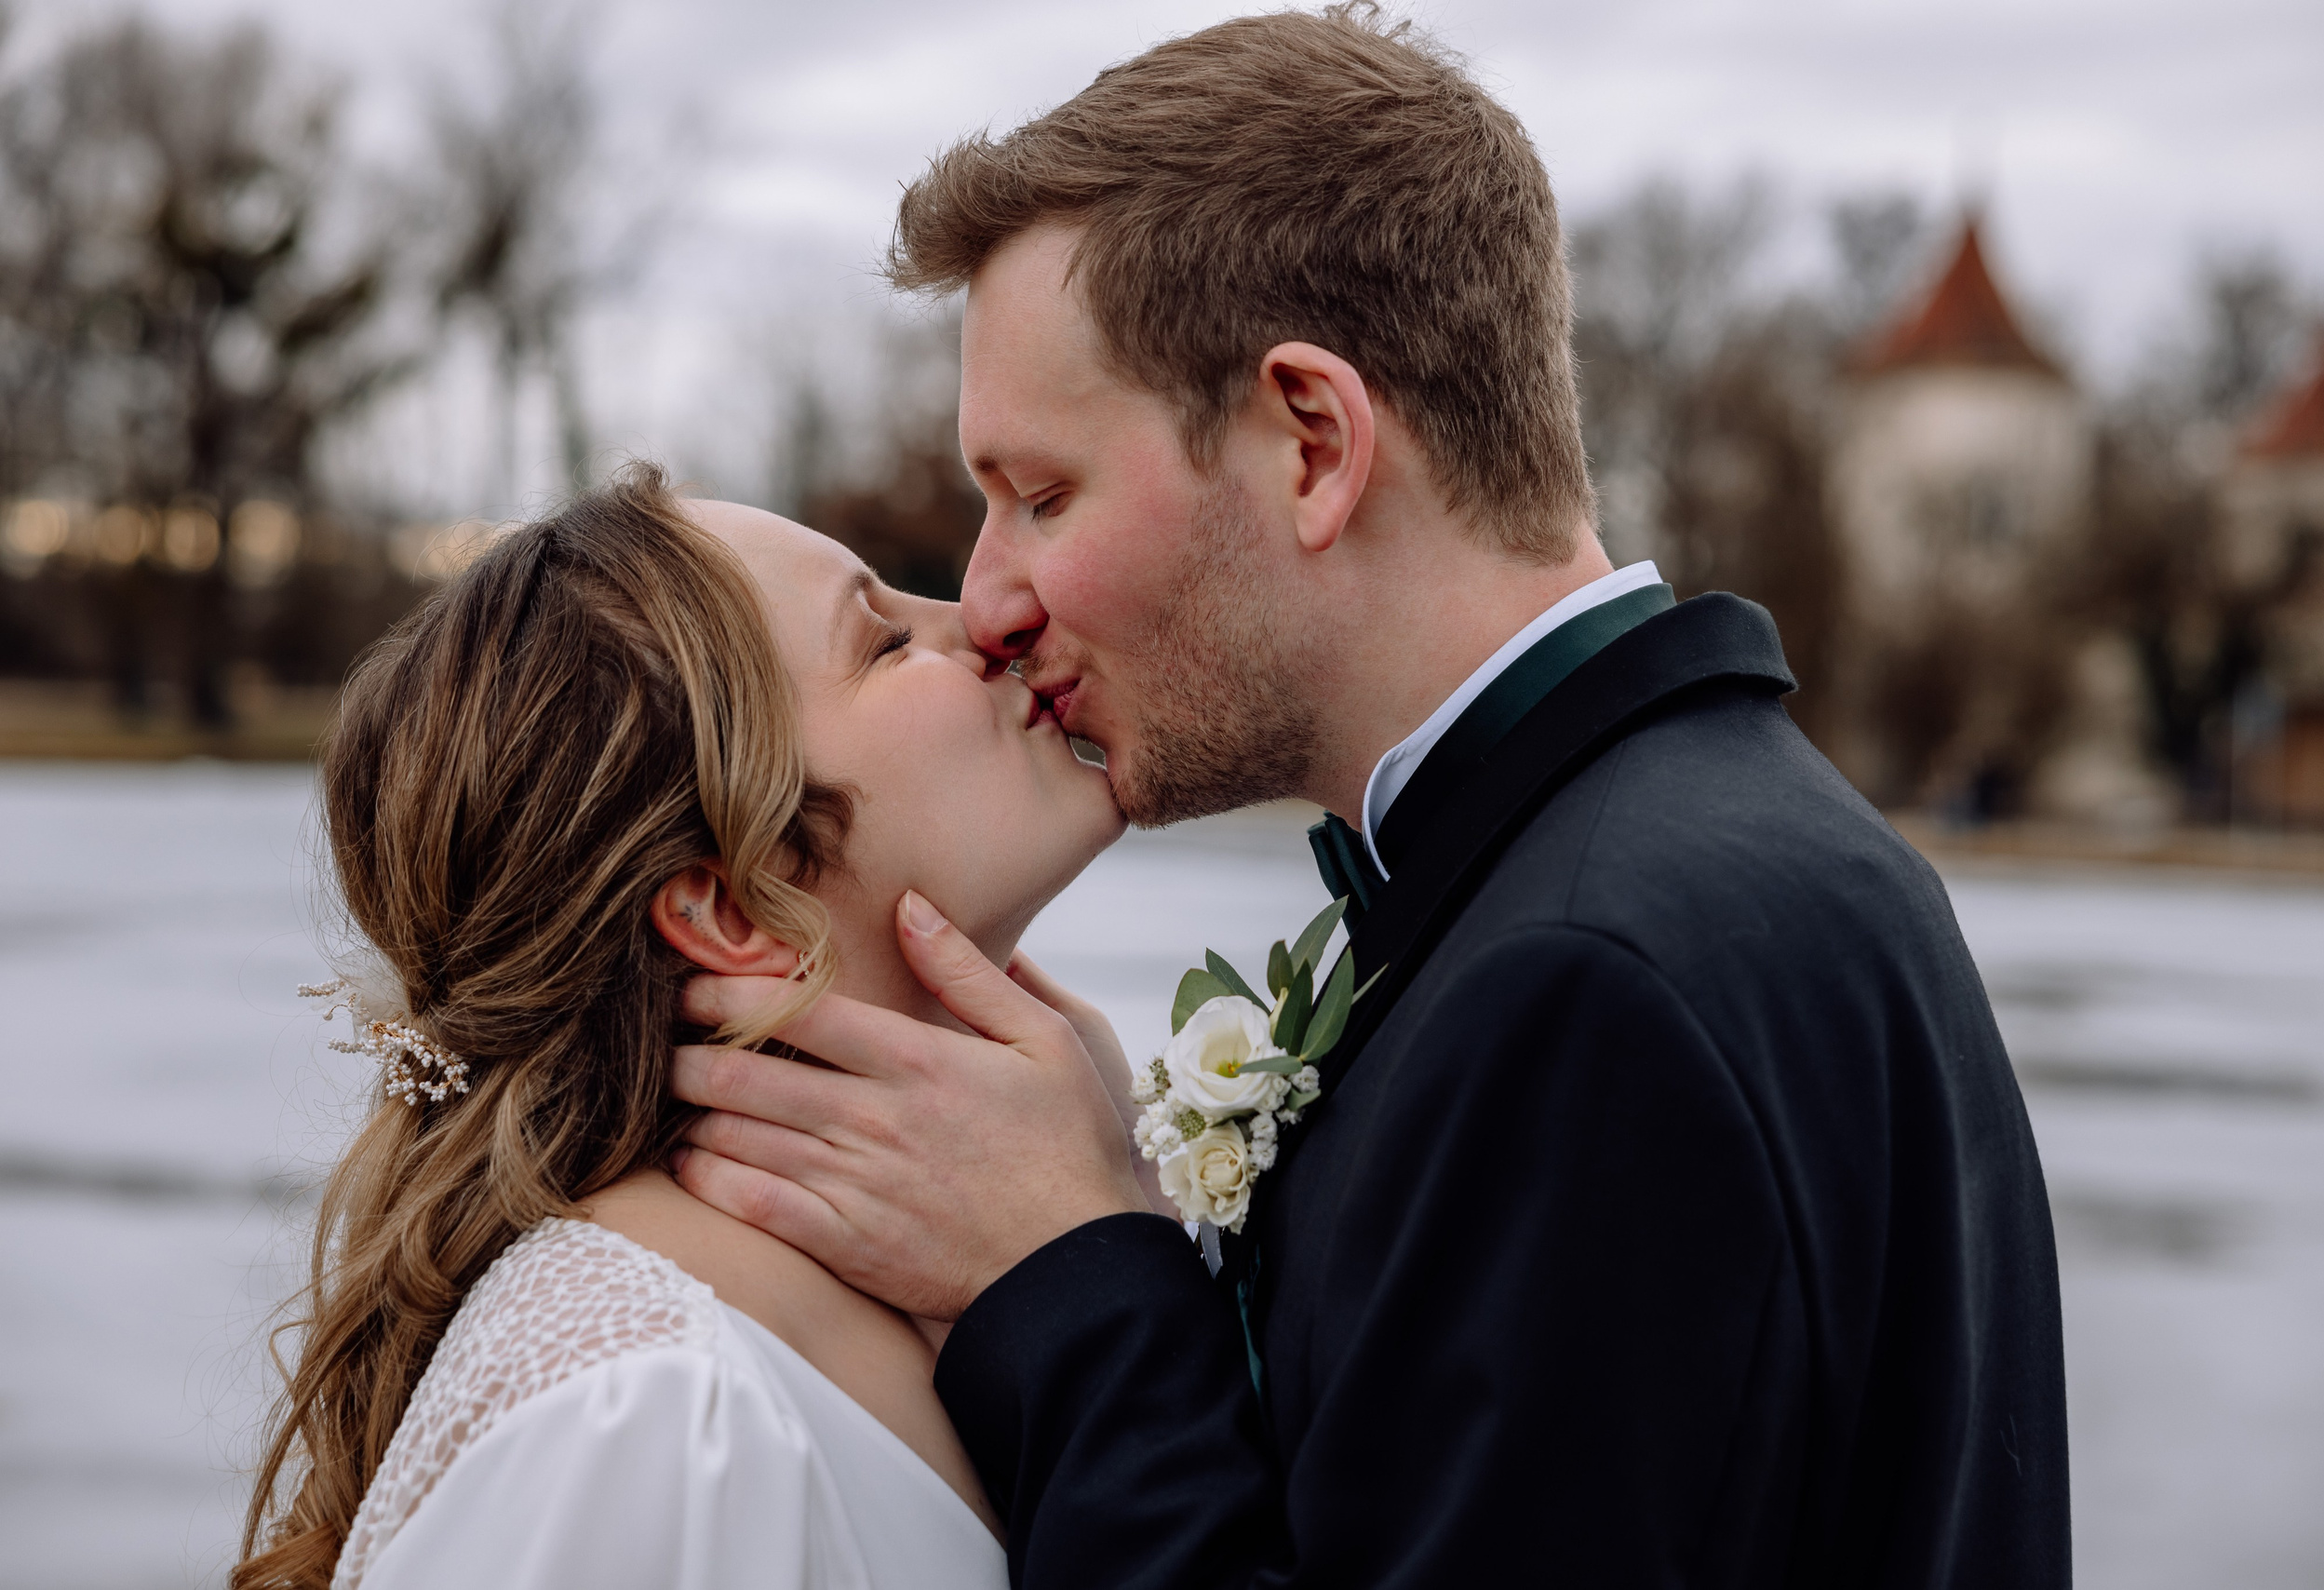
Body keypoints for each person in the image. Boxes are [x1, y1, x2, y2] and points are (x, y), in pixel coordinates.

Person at [668, 7, 2073, 1588]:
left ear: (1314, 441)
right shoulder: (1716, 857)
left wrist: (1064, 1280)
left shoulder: (1589, 984)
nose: (988, 598)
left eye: (1043, 494)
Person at [235, 466, 1140, 1590]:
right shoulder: (653, 1416)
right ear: (734, 906)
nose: (986, 624)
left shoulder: (949, 1265)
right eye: (884, 641)